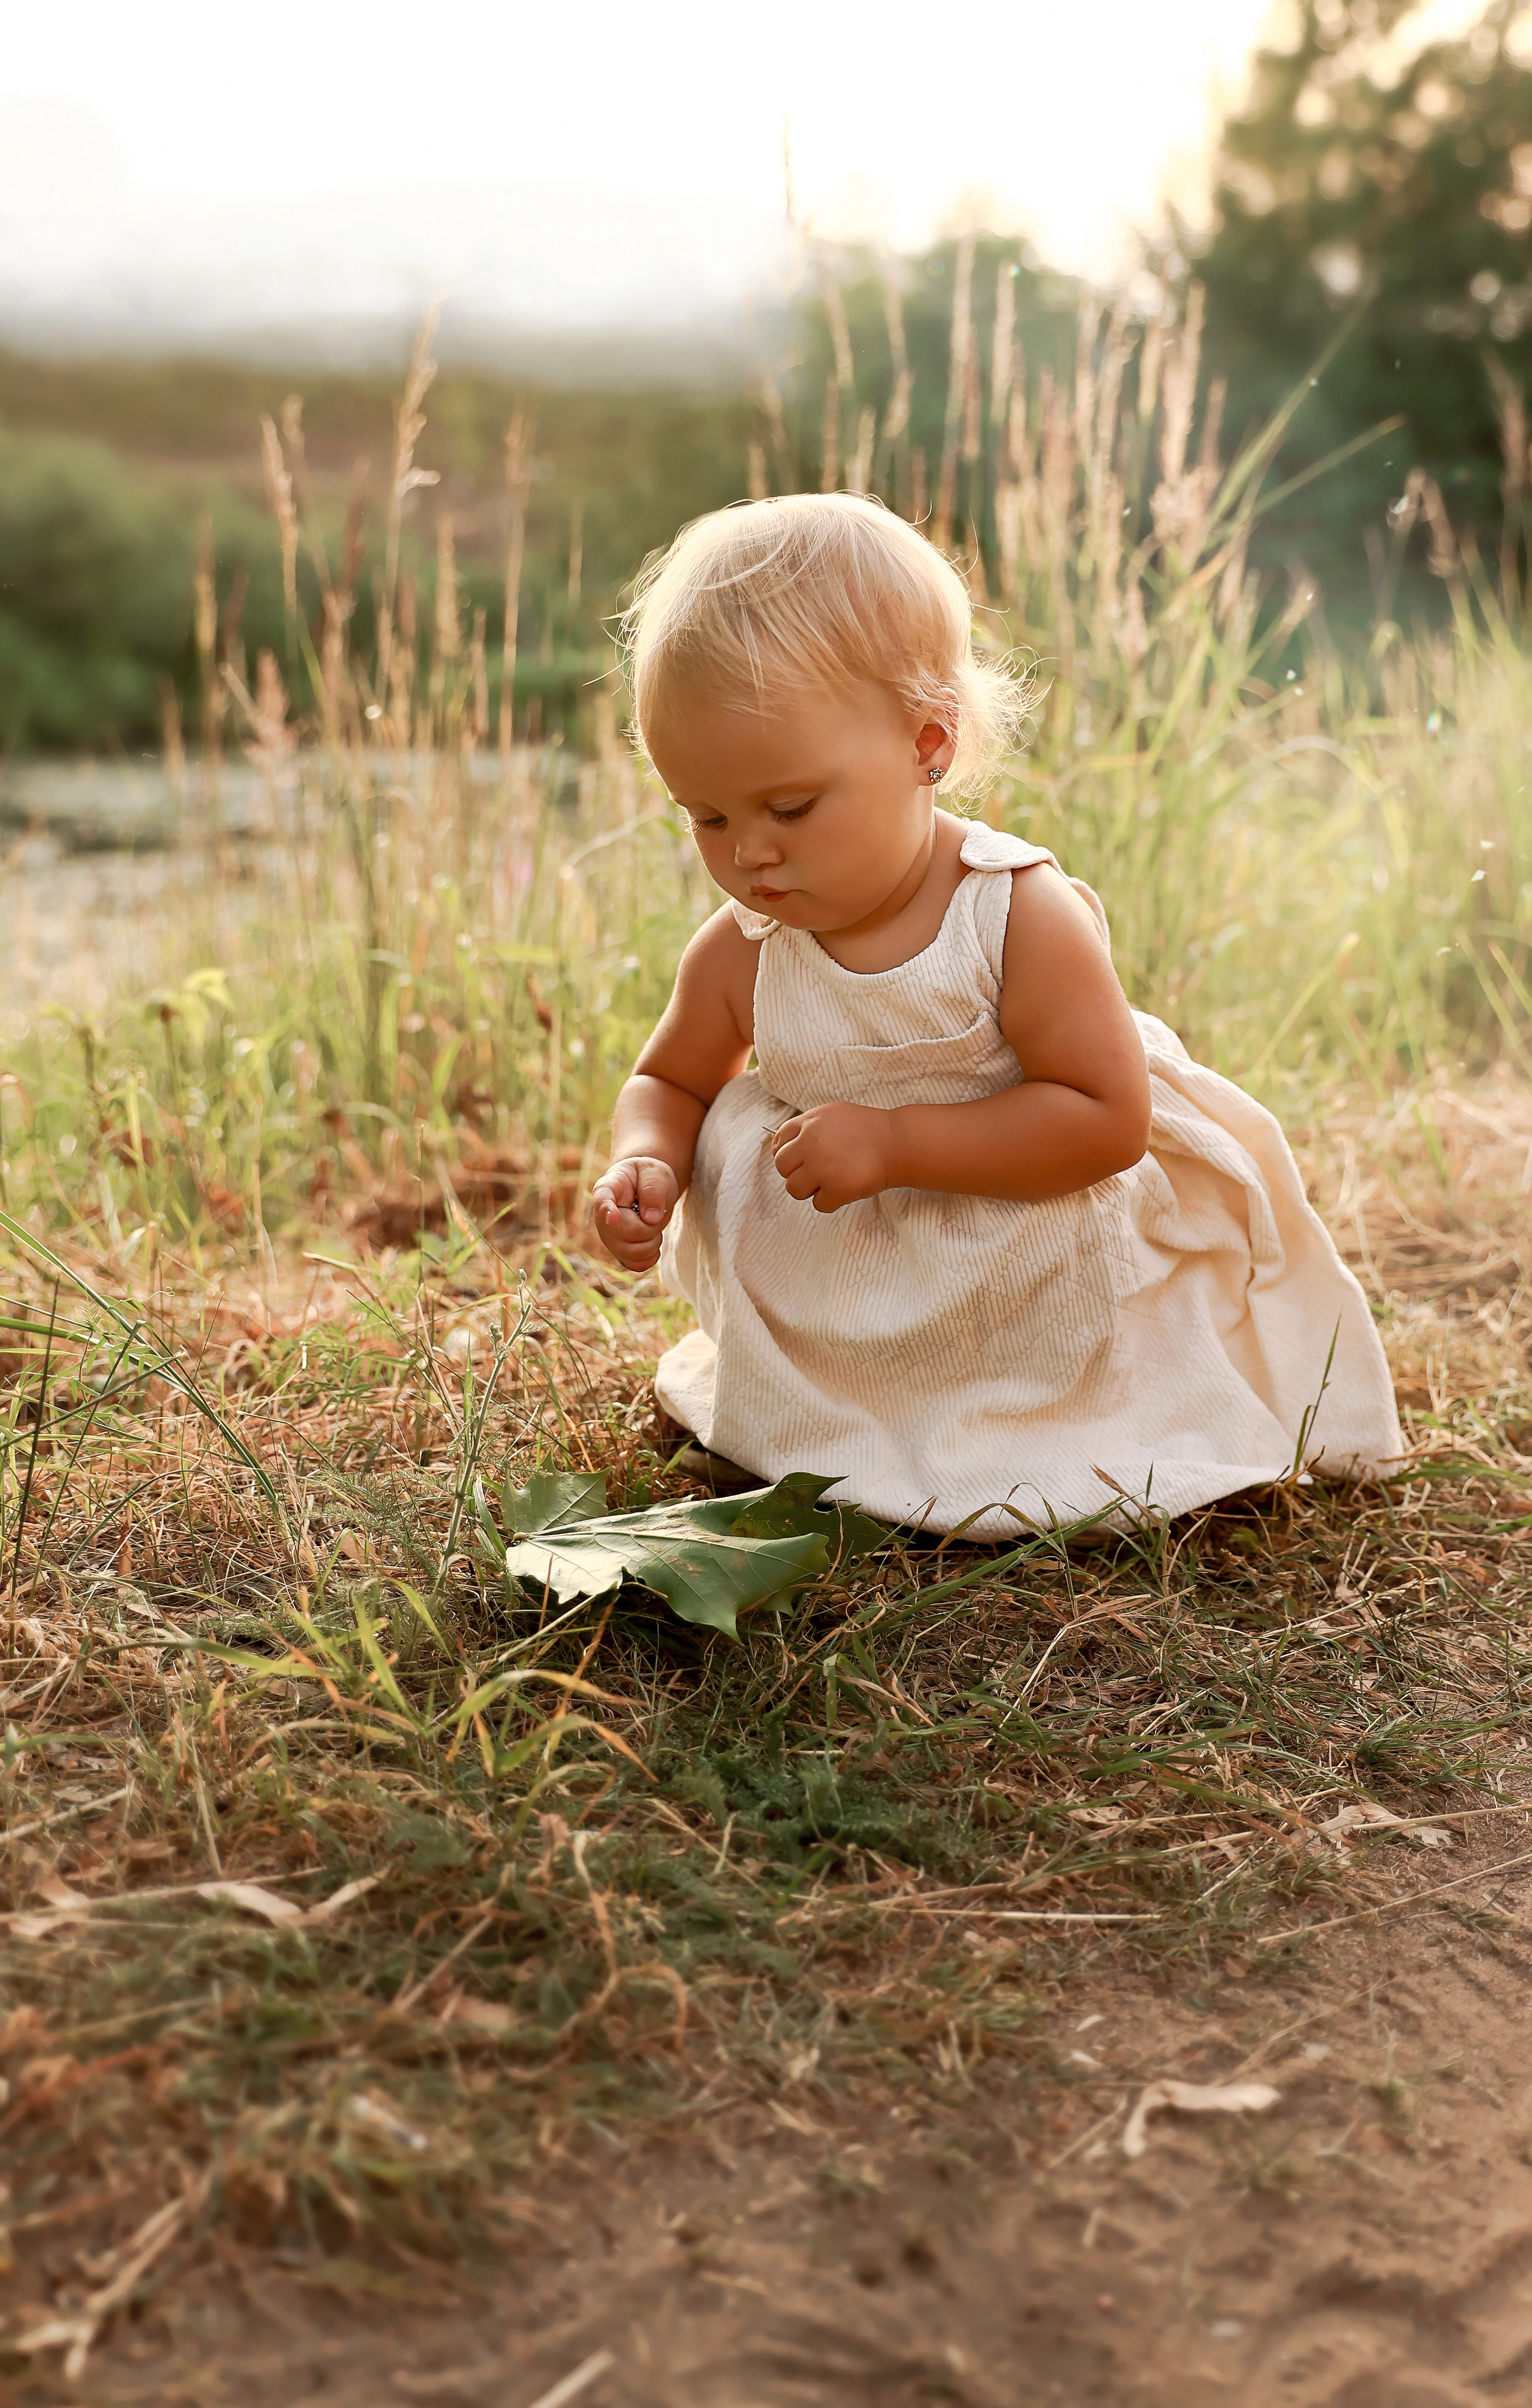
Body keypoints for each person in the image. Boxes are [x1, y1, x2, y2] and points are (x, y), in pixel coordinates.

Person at [591, 494, 1402, 1536]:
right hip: (853, 1280)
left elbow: (1106, 1119)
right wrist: (645, 1159)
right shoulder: (748, 944)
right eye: (706, 814)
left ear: (929, 743)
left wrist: (895, 1141)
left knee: (1086, 1441)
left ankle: (1040, 1427)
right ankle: (841, 1415)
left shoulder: (1014, 915)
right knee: (734, 1140)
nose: (748, 852)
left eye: (789, 808)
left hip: (1023, 1263)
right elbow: (671, 1079)